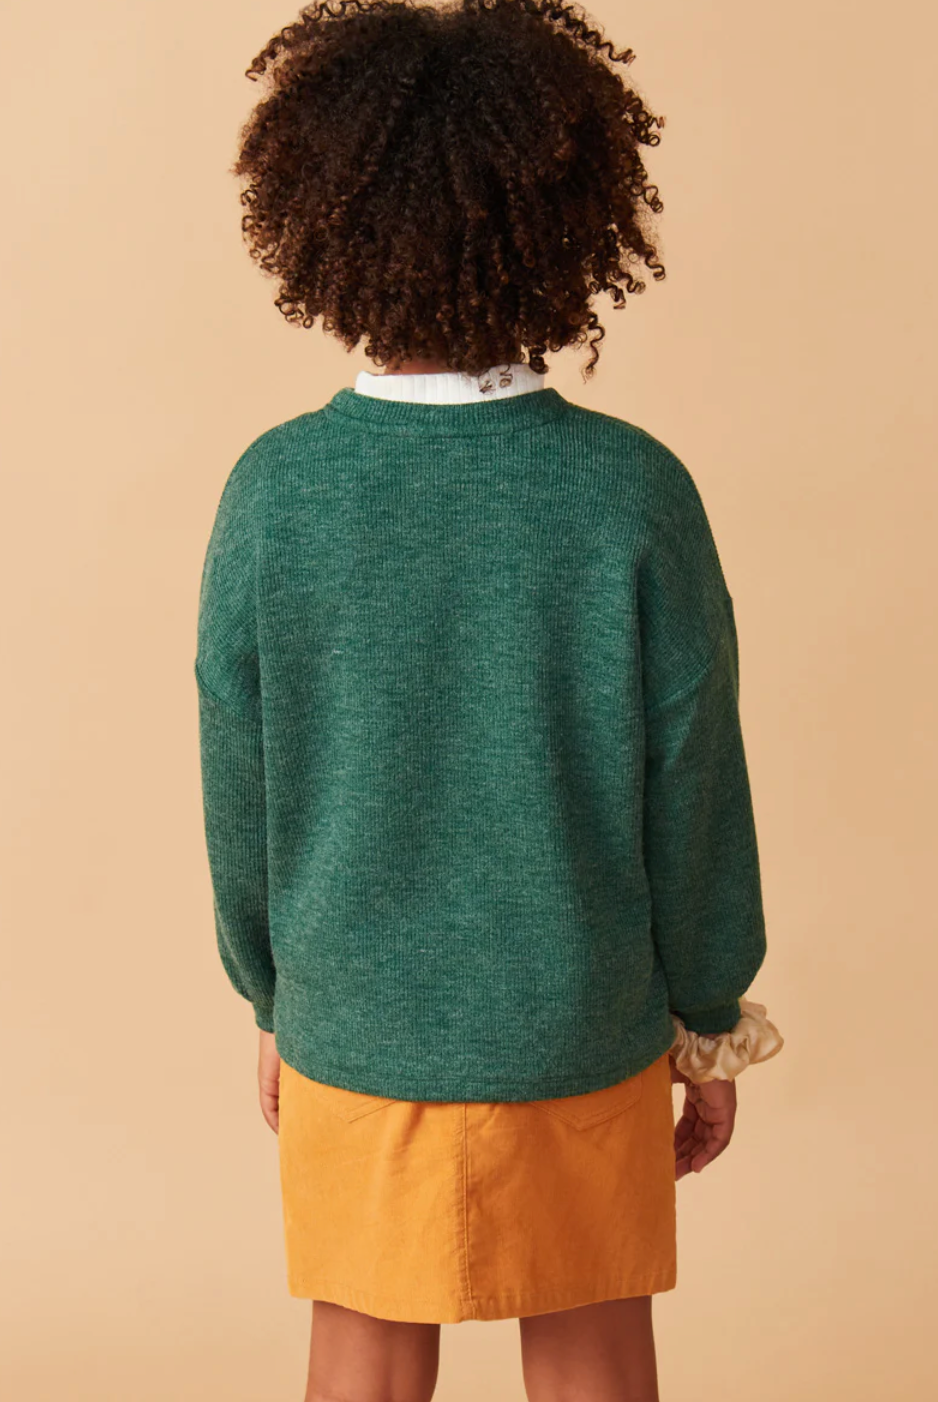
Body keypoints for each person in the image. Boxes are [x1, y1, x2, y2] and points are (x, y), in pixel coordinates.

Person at [193, 1, 784, 1398]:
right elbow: (693, 779)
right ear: (568, 231)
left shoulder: (276, 492)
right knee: (592, 1364)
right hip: (578, 1026)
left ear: (324, 227)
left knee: (359, 1366)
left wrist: (273, 997)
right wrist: (708, 1018)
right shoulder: (632, 491)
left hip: (356, 1020)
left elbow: (240, 774)